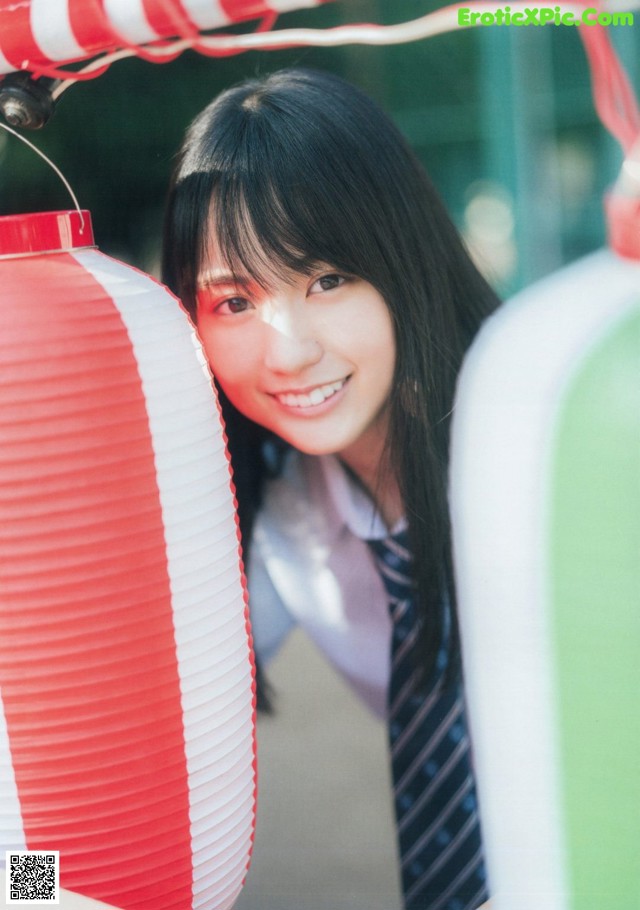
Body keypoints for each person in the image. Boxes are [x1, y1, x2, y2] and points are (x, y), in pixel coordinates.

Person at [162, 67, 499, 910]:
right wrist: (31, 885)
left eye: (327, 280)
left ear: (403, 259)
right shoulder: (276, 518)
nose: (287, 352)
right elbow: (119, 747)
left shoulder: (549, 459)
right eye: (234, 301)